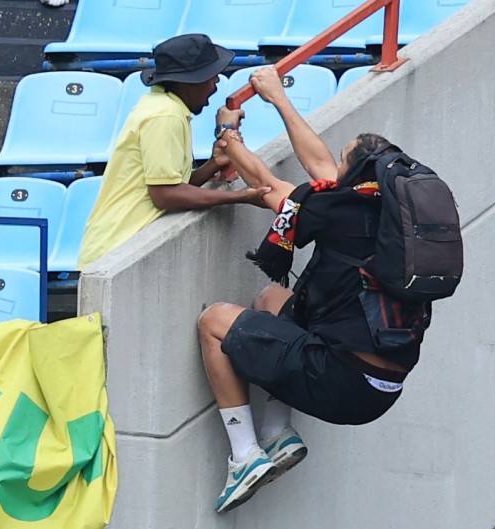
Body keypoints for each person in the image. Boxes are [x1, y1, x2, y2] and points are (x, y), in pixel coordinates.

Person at [197, 66, 429, 512]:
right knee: (270, 300)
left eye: (344, 160)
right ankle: (277, 433)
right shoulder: (395, 214)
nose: (333, 167)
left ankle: (245, 456)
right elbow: (321, 168)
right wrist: (279, 100)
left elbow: (269, 188)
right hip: (386, 382)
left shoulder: (340, 211)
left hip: (344, 381)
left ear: (355, 172)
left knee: (214, 322)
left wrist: (229, 141)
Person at [77, 34, 271, 270]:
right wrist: (242, 197)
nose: (216, 83)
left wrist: (212, 164)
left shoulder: (165, 108)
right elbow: (165, 195)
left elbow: (174, 183)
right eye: (210, 76)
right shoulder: (165, 115)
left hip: (117, 251)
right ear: (189, 82)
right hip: (115, 254)